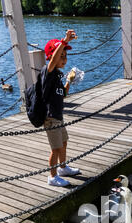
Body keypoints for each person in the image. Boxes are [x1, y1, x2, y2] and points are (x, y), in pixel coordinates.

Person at [42, 29, 80, 187]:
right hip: (50, 119)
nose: (64, 59)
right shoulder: (49, 72)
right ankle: (52, 177)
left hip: (59, 116)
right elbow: (53, 61)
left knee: (63, 143)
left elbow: (62, 94)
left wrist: (69, 81)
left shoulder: (57, 76)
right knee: (55, 148)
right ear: (52, 57)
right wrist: (65, 41)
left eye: (66, 56)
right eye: (61, 56)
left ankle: (63, 168)